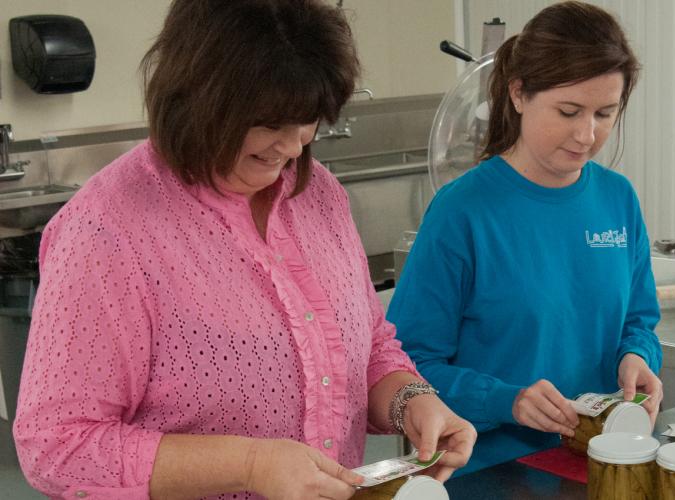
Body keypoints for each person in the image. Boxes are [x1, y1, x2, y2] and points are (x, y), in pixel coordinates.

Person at [12, 1, 476, 498]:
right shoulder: (108, 231)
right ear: (199, 98)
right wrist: (249, 465)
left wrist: (413, 401)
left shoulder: (317, 192)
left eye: (309, 121)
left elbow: (369, 347)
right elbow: (57, 446)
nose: (295, 146)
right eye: (271, 123)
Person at [387, 0, 662, 476]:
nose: (586, 133)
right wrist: (505, 400)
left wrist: (638, 356)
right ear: (518, 94)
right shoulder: (463, 212)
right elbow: (406, 368)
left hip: (600, 467)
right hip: (493, 473)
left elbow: (638, 320)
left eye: (605, 113)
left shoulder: (617, 199)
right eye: (569, 110)